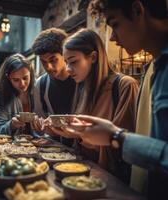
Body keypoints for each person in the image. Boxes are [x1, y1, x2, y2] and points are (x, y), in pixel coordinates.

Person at [69, 0, 168, 198]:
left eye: (114, 24)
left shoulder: (126, 83)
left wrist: (116, 137)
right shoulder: (157, 68)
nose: (112, 37)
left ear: (137, 10)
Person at [48, 28, 139, 183]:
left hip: (110, 180)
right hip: (81, 173)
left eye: (73, 62)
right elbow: (80, 144)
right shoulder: (82, 88)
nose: (68, 70)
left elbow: (124, 146)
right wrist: (65, 132)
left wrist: (81, 135)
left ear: (93, 57)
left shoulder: (124, 86)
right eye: (67, 62)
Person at [31, 28, 76, 141]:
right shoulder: (40, 84)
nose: (48, 67)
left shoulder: (80, 78)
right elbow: (40, 120)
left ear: (64, 55)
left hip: (85, 146)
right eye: (43, 62)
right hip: (56, 148)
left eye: (53, 60)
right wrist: (40, 125)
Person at [0, 54, 35, 136]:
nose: (22, 84)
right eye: (16, 80)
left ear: (30, 73)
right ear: (8, 78)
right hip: (12, 146)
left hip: (39, 143)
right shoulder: (0, 96)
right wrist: (11, 125)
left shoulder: (39, 89)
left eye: (25, 78)